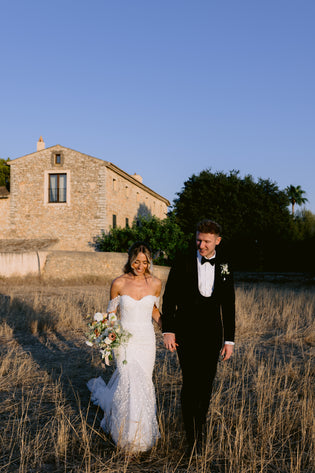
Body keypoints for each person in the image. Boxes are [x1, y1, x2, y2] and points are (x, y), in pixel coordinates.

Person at [162, 219, 235, 453]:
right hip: (185, 333)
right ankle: (191, 436)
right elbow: (169, 298)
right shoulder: (183, 260)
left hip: (212, 335)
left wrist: (229, 340)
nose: (201, 245)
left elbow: (229, 304)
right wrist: (168, 330)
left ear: (217, 241)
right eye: (198, 239)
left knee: (206, 384)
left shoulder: (224, 264)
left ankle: (199, 428)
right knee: (191, 383)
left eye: (206, 241)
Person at [87, 241, 162, 453]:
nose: (140, 266)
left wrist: (168, 330)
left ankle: (142, 435)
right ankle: (124, 433)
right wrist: (107, 342)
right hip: (124, 339)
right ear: (129, 260)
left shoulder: (156, 283)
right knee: (129, 382)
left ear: (149, 262)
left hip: (146, 340)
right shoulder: (118, 283)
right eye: (136, 261)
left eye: (144, 262)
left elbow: (154, 311)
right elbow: (110, 316)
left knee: (144, 383)